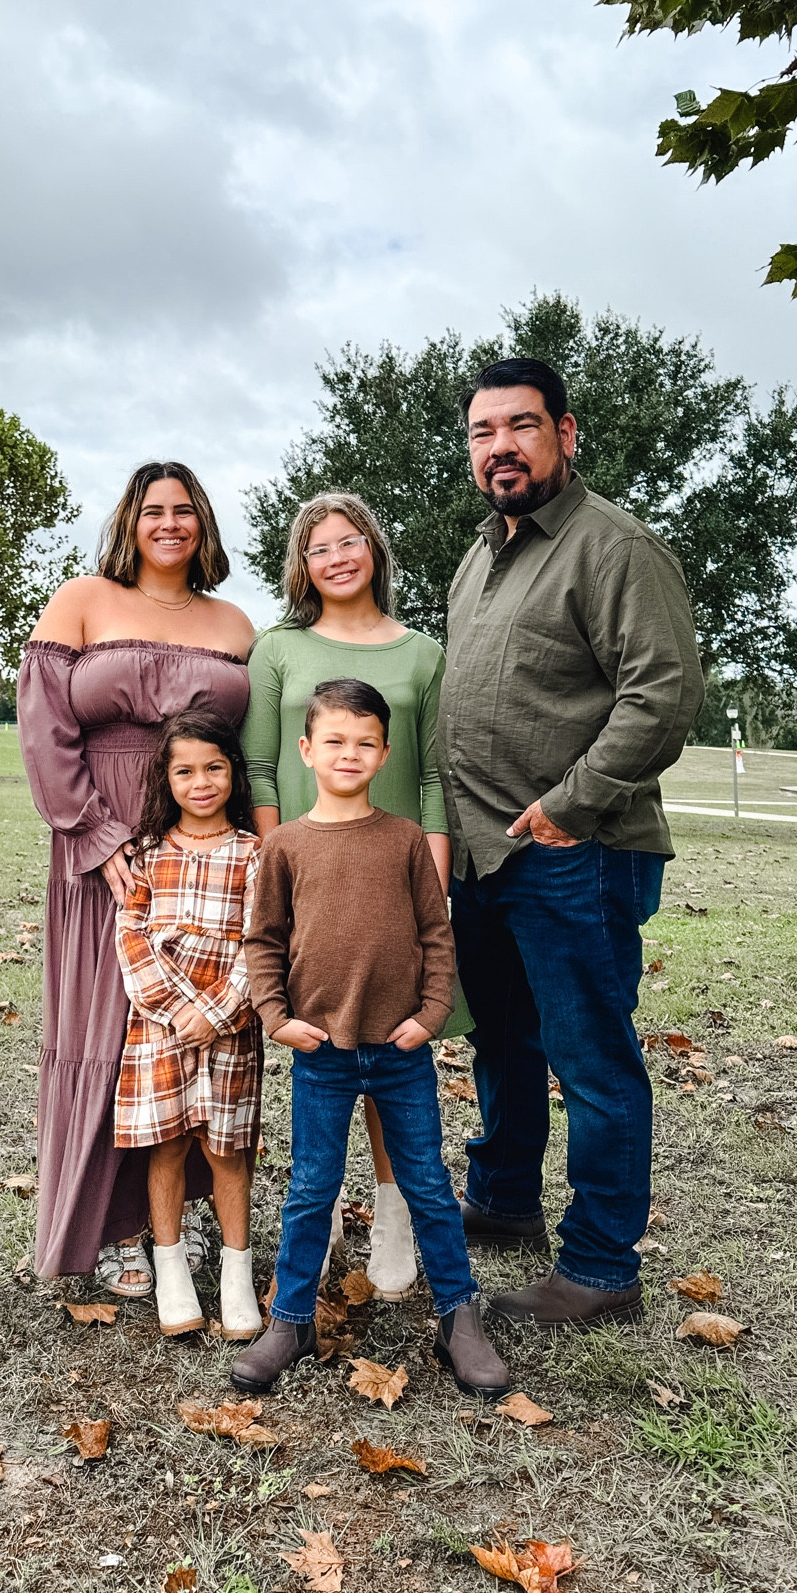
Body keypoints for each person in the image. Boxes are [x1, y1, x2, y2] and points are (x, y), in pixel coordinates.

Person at [439, 355, 704, 1329]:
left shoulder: (613, 548)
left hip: (578, 852)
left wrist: (573, 802)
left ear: (566, 432)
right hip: (486, 855)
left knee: (589, 1058)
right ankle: (505, 1201)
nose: (500, 446)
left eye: (521, 424)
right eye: (483, 431)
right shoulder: (482, 554)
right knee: (503, 1044)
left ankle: (598, 1268)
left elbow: (663, 694)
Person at [230, 678, 509, 1397]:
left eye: (364, 743)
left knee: (427, 1185)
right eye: (334, 741)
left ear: (384, 754)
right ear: (306, 750)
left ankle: (458, 1317)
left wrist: (431, 1012)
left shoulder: (406, 840)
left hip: (399, 1050)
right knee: (310, 1189)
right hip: (321, 1051)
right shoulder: (286, 846)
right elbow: (262, 941)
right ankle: (289, 1320)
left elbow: (434, 934)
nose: (348, 754)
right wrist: (276, 1015)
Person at [18, 462, 255, 1293]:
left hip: (202, 843)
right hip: (100, 842)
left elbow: (249, 756)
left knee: (189, 1034)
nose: (169, 523)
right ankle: (107, 1229)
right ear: (130, 520)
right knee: (108, 1029)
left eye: (184, 510)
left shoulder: (235, 623)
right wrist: (94, 831)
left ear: (204, 526)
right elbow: (45, 728)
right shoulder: (81, 599)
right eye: (153, 510)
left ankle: (172, 1227)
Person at [243, 492, 455, 1301]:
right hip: (310, 876)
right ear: (302, 565)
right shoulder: (278, 651)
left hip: (400, 872)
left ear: (375, 550)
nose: (337, 556)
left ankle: (396, 1213)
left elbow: (435, 776)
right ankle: (323, 1206)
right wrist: (281, 869)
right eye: (319, 546)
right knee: (327, 1042)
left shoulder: (421, 654)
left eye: (351, 540)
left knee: (393, 1037)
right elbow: (260, 768)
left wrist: (432, 883)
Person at [114, 712, 263, 1340]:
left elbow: (264, 943)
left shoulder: (256, 853)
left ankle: (236, 1273)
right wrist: (179, 1011)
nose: (201, 782)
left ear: (233, 772)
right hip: (160, 1026)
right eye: (185, 771)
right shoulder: (147, 855)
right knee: (168, 1143)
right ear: (166, 780)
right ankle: (170, 1269)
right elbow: (131, 935)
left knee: (228, 1150)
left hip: (230, 1026)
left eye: (214, 767)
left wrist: (219, 1011)